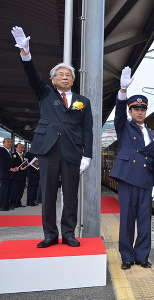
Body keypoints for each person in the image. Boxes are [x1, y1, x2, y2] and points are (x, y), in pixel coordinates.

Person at [11, 26, 93, 248]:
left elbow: (87, 129)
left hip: (72, 151)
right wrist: (25, 53)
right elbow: (32, 76)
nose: (65, 77)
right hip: (47, 149)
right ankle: (50, 234)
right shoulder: (45, 93)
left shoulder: (83, 101)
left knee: (71, 195)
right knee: (47, 193)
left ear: (72, 81)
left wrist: (88, 155)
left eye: (68, 75)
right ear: (53, 79)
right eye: (60, 75)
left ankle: (68, 233)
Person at [110, 66, 154, 269]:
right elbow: (119, 114)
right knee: (127, 221)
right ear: (130, 111)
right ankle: (127, 257)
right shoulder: (123, 127)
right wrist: (123, 92)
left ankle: (142, 256)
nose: (140, 112)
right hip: (128, 179)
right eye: (136, 109)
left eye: (142, 109)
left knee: (145, 222)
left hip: (146, 182)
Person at [0, 138, 18, 211]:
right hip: (4, 174)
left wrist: (16, 167)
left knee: (9, 191)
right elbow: (2, 162)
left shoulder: (10, 152)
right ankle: (2, 206)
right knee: (4, 190)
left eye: (11, 142)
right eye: (8, 142)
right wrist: (10, 168)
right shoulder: (1, 151)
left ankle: (6, 205)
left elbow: (11, 163)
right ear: (3, 143)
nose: (10, 143)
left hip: (10, 175)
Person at [10, 143, 28, 208]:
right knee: (14, 190)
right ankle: (12, 203)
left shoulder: (24, 156)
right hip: (16, 176)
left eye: (22, 147)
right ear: (16, 148)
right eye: (19, 147)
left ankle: (18, 202)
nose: (21, 149)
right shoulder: (13, 155)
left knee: (21, 190)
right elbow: (12, 165)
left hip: (23, 176)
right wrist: (19, 168)